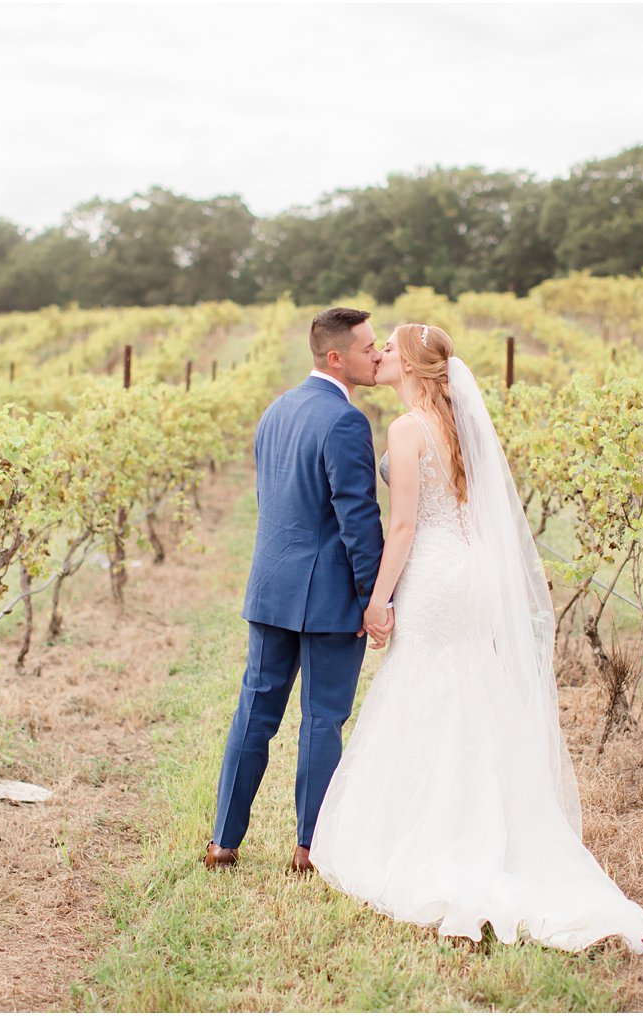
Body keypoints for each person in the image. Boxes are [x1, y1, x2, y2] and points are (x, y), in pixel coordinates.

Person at [308, 322, 643, 953]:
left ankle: (437, 834)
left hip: (435, 578)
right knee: (467, 685)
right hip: (468, 572)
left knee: (428, 687)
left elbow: (407, 525)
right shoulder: (455, 425)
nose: (380, 355)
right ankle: (488, 820)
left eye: (389, 349)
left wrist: (379, 599)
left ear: (413, 366)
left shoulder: (408, 429)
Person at [205, 307, 394, 874]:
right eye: (367, 348)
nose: (377, 356)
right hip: (329, 596)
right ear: (335, 356)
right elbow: (357, 518)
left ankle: (222, 842)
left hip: (270, 587)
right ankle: (309, 848)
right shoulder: (345, 422)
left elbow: (277, 504)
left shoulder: (276, 410)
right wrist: (373, 595)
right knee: (321, 719)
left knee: (255, 712)